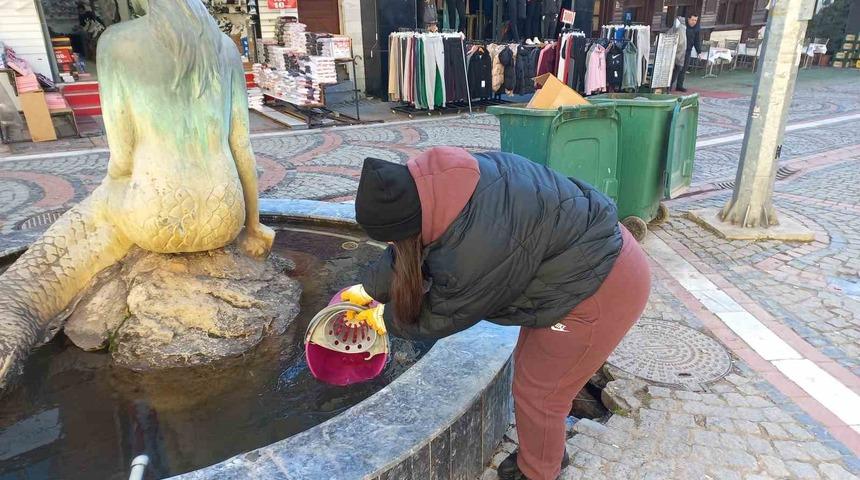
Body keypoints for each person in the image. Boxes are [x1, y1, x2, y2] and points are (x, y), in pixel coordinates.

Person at [341, 147, 651, 480]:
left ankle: (540, 471)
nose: (392, 245)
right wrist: (368, 289)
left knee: (541, 392)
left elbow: (444, 314)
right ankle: (544, 451)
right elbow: (407, 248)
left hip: (599, 291)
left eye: (390, 239)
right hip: (579, 264)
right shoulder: (437, 184)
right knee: (535, 375)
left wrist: (382, 321)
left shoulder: (471, 250)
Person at [674, 14, 702, 92]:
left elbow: (697, 40)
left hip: (688, 51)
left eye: (696, 20)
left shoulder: (697, 28)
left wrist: (699, 51)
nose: (694, 22)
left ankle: (679, 86)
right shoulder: (682, 26)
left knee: (684, 69)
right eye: (692, 20)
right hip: (679, 50)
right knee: (677, 68)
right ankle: (669, 85)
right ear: (688, 19)